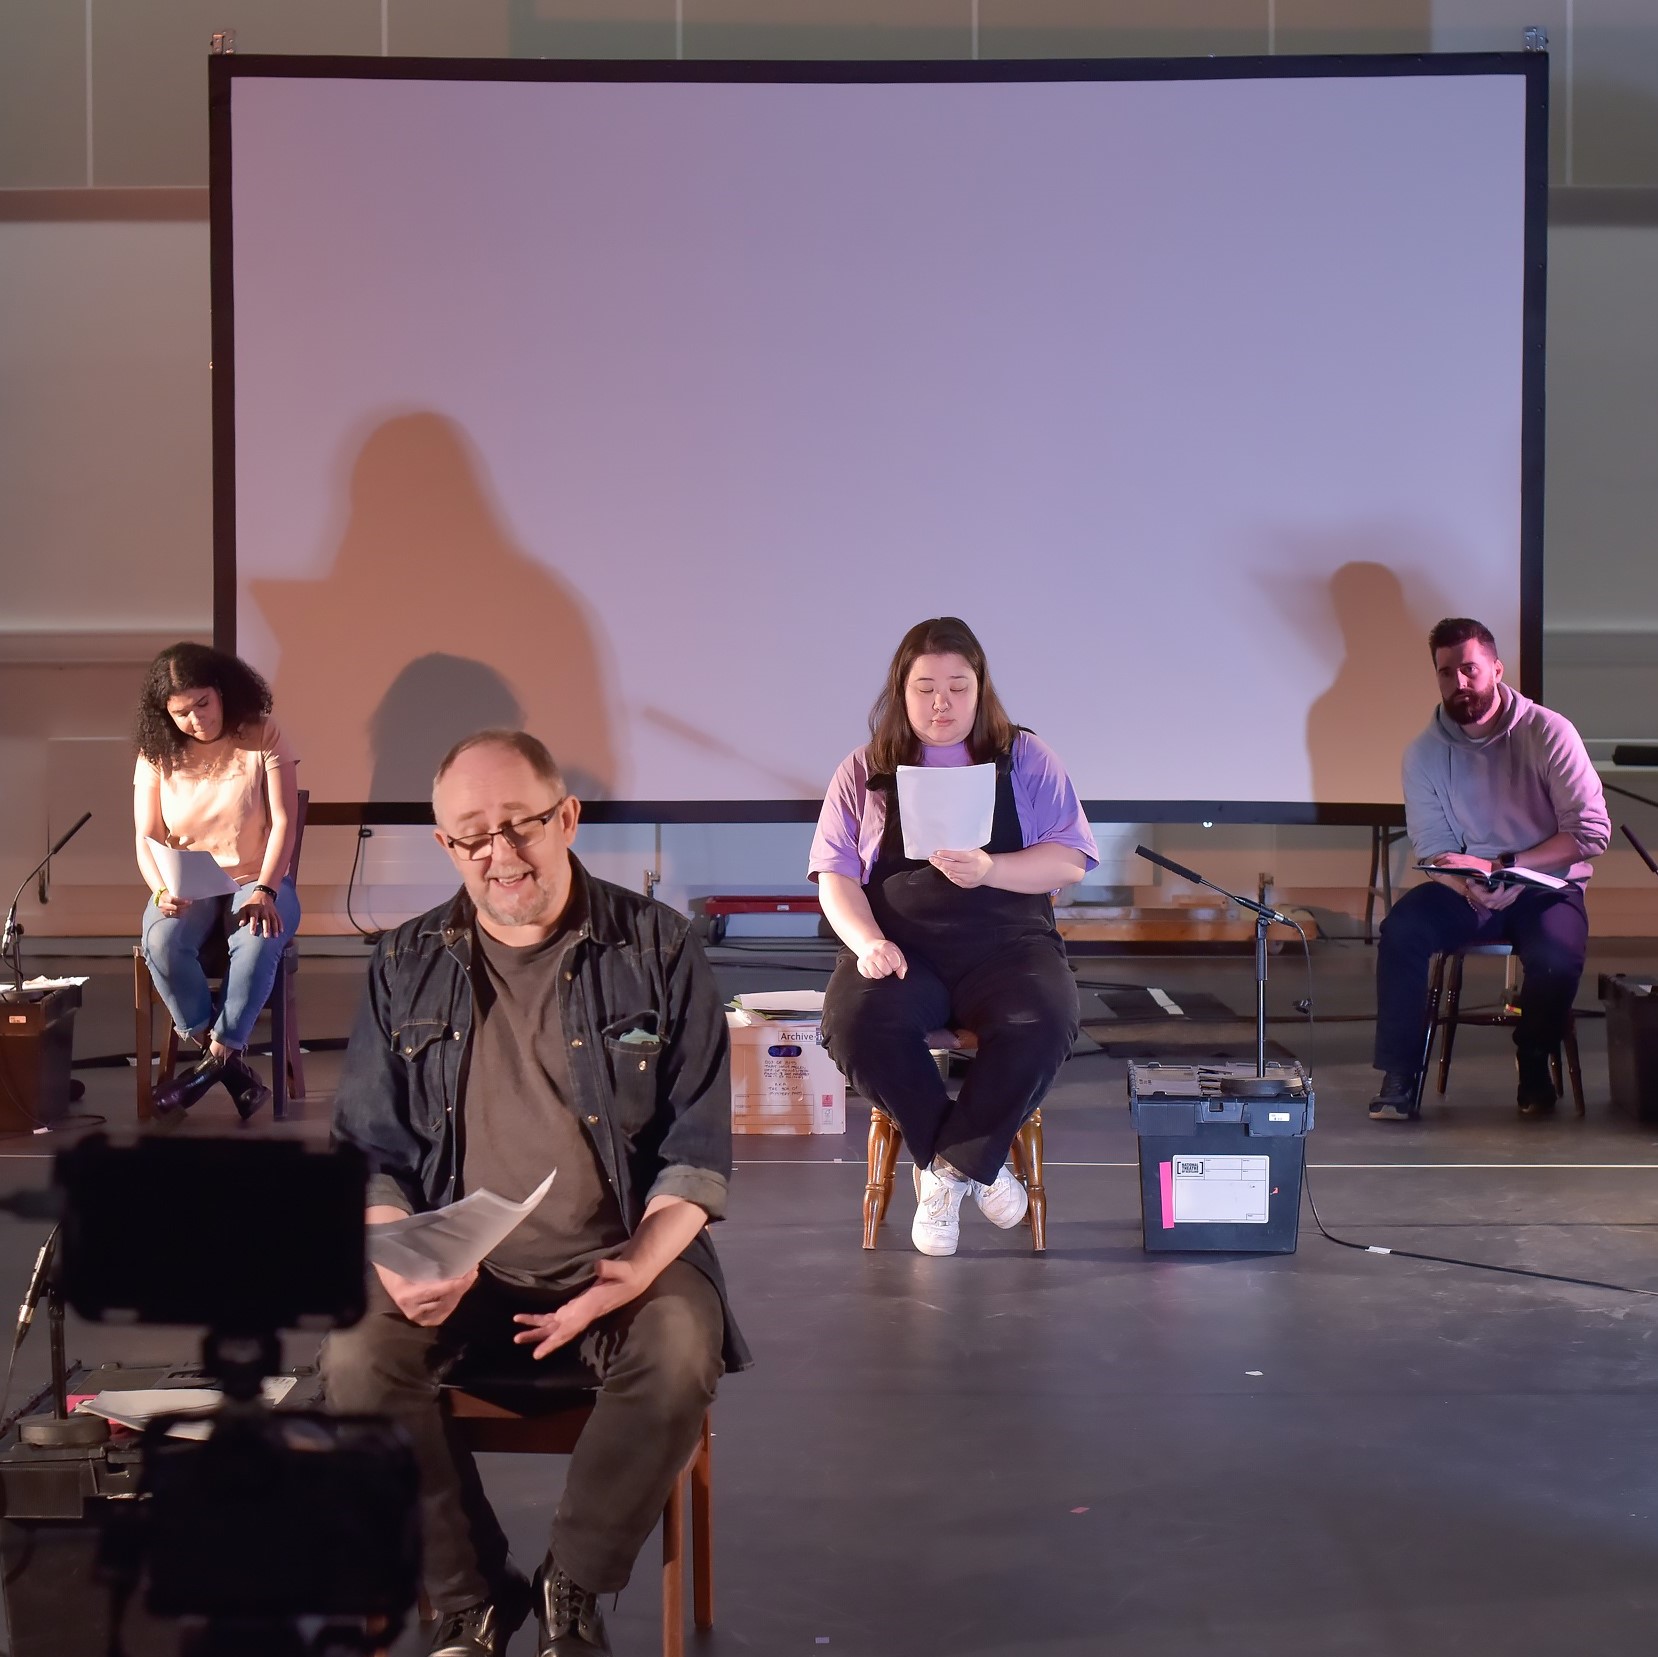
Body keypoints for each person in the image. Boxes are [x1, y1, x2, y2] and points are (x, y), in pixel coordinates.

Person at [324, 730, 747, 1657]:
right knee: (355, 1359)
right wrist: (402, 1255)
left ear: (567, 818)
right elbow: (371, 1153)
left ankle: (572, 1589)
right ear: (444, 846)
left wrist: (633, 1268)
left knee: (679, 1345)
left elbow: (695, 1152)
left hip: (618, 1256)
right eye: (472, 835)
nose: (500, 854)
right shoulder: (402, 962)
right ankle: (471, 1600)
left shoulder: (659, 946)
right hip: (462, 1272)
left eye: (520, 825)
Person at [810, 617, 1098, 1256]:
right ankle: (975, 1162)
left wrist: (994, 868)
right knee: (855, 1025)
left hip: (1008, 948)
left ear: (981, 689)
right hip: (902, 949)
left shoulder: (1025, 756)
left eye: (958, 687)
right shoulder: (863, 771)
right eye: (925, 688)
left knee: (1044, 1019)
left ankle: (946, 1173)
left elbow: (1071, 858)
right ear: (900, 693)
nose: (942, 703)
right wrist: (866, 945)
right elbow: (835, 876)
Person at [1370, 618, 1610, 1121]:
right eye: (1446, 672)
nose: (1459, 683)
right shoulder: (1424, 754)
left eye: (1470, 670)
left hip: (1547, 885)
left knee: (1556, 955)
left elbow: (1591, 833)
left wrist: (1506, 865)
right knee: (1402, 930)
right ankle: (1400, 1074)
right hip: (1469, 889)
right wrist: (1470, 883)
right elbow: (1433, 847)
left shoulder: (1549, 732)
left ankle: (1533, 1056)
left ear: (1496, 669)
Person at [134, 642, 300, 1118]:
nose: (196, 720)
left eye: (202, 704)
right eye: (181, 713)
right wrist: (161, 890)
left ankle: (215, 1060)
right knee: (161, 942)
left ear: (222, 692)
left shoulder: (262, 734)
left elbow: (284, 822)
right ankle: (226, 1066)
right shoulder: (157, 751)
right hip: (187, 880)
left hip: (256, 876)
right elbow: (146, 836)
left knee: (258, 935)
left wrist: (267, 889)